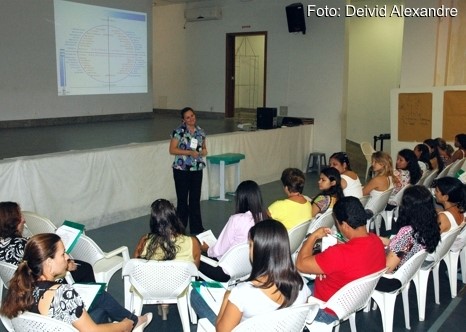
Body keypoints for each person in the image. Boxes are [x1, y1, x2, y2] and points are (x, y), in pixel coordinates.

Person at [0, 233, 152, 332]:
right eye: (62, 254)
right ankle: (134, 322)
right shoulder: (62, 293)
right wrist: (122, 326)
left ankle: (135, 320)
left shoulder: (19, 287)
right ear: (48, 263)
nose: (67, 257)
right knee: (104, 310)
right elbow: (92, 331)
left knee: (100, 300)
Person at [190, 219, 311, 329]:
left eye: (251, 245)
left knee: (195, 294)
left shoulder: (242, 292)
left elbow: (222, 330)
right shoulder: (300, 284)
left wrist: (227, 298)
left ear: (259, 251)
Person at [296, 196, 385, 323]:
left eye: (337, 224)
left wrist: (314, 236)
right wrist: (326, 267)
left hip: (325, 309)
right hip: (352, 302)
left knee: (288, 288)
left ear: (344, 225)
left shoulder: (338, 254)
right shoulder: (376, 241)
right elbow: (351, 262)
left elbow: (300, 264)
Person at [133, 198, 201, 320]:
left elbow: (135, 264)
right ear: (175, 218)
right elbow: (194, 271)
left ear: (153, 221)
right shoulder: (192, 242)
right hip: (178, 286)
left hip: (151, 286)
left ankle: (162, 303)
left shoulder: (145, 241)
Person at [0, 201, 95, 283]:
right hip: (41, 284)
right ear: (13, 222)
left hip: (16, 282)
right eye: (20, 216)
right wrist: (67, 266)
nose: (24, 220)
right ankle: (90, 300)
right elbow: (47, 266)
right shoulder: (23, 246)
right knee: (85, 268)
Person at [376, 185, 441, 292]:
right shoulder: (429, 225)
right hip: (405, 273)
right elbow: (406, 247)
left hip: (389, 280)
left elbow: (387, 268)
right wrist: (386, 241)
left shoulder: (407, 232)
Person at [199, 180, 266, 281]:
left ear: (241, 199)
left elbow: (218, 251)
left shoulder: (236, 219)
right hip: (252, 268)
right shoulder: (265, 218)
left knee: (192, 257)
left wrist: (207, 249)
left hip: (226, 272)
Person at [169, 107, 207, 235]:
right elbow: (172, 150)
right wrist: (189, 152)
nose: (191, 119)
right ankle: (180, 228)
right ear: (183, 120)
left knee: (195, 199)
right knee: (182, 200)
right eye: (188, 117)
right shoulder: (178, 131)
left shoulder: (201, 132)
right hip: (182, 170)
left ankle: (197, 228)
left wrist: (202, 152)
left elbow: (205, 149)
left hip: (197, 169)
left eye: (192, 115)